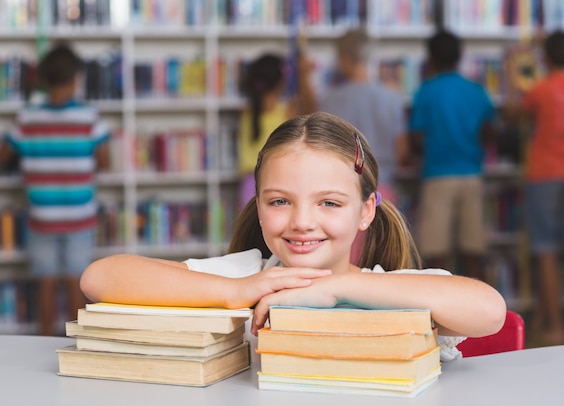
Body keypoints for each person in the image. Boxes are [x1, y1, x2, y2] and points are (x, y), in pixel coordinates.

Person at [81, 111, 507, 362]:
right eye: (280, 202)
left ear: (366, 211)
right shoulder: (247, 276)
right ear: (259, 205)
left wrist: (337, 289)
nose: (302, 222)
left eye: (330, 203)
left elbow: (489, 311)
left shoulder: (389, 289)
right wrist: (235, 292)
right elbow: (99, 278)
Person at [0, 43, 110, 335]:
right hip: (79, 214)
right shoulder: (88, 117)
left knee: (45, 283)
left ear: (44, 79)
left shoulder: (27, 117)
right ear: (76, 78)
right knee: (77, 282)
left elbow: (4, 155)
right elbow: (104, 160)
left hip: (41, 216)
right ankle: (77, 342)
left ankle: (44, 338)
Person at [505, 30, 564, 345]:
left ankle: (557, 325)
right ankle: (543, 314)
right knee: (556, 246)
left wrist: (514, 76)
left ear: (545, 58)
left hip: (545, 174)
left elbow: (514, 115)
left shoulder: (541, 90)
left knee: (545, 250)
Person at [405, 30, 496, 279]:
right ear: (460, 56)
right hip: (471, 175)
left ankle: (437, 314)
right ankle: (478, 311)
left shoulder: (426, 91)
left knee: (435, 253)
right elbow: (490, 133)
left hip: (437, 175)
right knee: (473, 250)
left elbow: (415, 137)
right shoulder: (475, 91)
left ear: (430, 59)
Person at [317, 28, 408, 264]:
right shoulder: (391, 99)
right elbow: (402, 152)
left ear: (345, 59)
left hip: (343, 196)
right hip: (384, 193)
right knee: (384, 265)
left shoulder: (331, 100)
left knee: (346, 266)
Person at [237, 52, 314, 210]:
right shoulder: (287, 112)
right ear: (281, 82)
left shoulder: (246, 112)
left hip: (247, 186)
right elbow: (312, 109)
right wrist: (304, 75)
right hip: (276, 181)